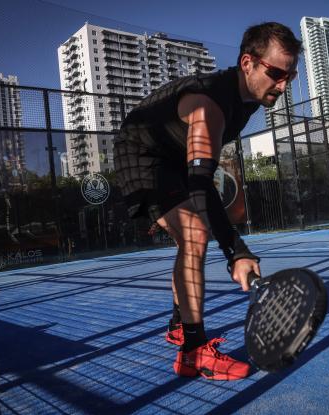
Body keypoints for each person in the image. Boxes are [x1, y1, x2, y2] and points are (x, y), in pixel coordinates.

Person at [114, 22, 302, 380]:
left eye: (289, 77)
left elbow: (200, 175)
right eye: (276, 73)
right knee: (195, 233)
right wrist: (237, 252)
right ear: (248, 62)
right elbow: (202, 186)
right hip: (142, 153)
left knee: (191, 238)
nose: (282, 85)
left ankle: (178, 325)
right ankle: (193, 353)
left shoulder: (251, 97)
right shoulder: (211, 104)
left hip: (173, 154)